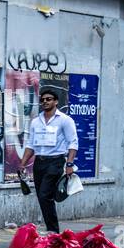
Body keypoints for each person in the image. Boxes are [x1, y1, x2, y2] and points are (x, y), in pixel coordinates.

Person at [20, 86, 78, 233]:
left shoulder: (65, 120)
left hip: (56, 162)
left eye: (49, 99)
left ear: (56, 102)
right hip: (39, 162)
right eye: (43, 100)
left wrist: (69, 164)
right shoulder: (36, 122)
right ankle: (52, 230)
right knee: (42, 197)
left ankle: (53, 231)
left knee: (45, 194)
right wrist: (22, 164)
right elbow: (31, 145)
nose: (45, 102)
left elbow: (73, 143)